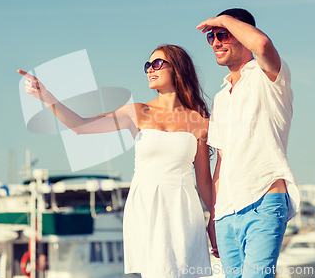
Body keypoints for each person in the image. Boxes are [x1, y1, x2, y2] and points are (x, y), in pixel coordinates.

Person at [18, 44, 214, 278]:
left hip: (183, 206)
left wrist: (214, 221)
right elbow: (81, 126)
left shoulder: (199, 121)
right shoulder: (137, 111)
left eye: (157, 63)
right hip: (146, 203)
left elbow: (204, 182)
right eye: (147, 65)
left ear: (178, 69)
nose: (150, 69)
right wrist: (46, 97)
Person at [197, 9, 300, 278]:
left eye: (223, 35)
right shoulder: (221, 97)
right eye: (211, 37)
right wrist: (214, 215)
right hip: (226, 212)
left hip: (264, 200)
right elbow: (222, 158)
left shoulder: (270, 76)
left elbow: (262, 44)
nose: (216, 43)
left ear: (242, 35)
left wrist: (222, 20)